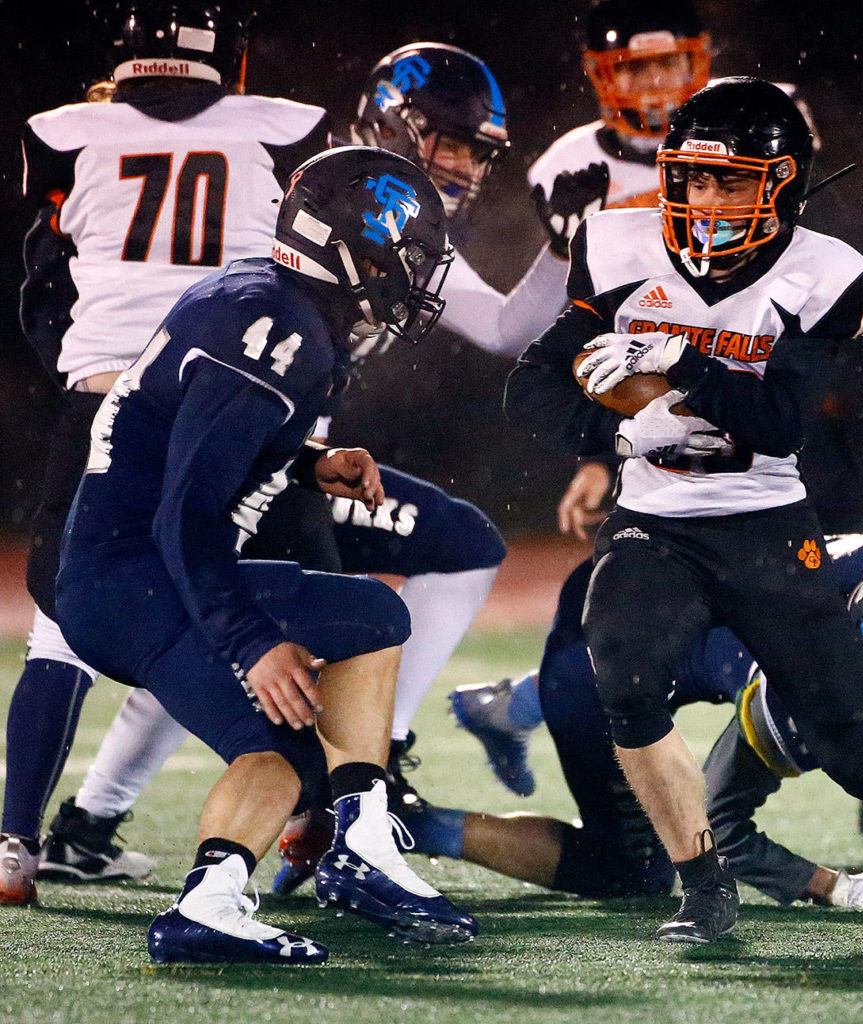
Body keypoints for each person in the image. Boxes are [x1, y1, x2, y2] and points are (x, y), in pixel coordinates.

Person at [34, 40, 608, 895]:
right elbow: (207, 310)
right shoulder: (314, 195)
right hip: (218, 439)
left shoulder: (390, 218)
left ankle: (366, 770)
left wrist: (563, 252)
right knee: (227, 608)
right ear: (387, 118)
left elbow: (498, 329)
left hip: (287, 454)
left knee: (441, 548)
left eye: (471, 151)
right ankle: (336, 794)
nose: (456, 165)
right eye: (442, 140)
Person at [502, 76, 863, 945]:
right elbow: (528, 388)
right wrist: (615, 437)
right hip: (657, 523)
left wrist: (682, 361)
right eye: (694, 179)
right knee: (626, 677)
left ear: (785, 182)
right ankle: (703, 883)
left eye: (735, 180)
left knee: (853, 746)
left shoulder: (826, 272)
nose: (707, 199)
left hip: (765, 522)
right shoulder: (616, 244)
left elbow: (781, 426)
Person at [55, 143, 481, 964]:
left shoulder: (262, 296)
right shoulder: (280, 332)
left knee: (330, 683)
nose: (414, 275)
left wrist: (309, 463)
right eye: (408, 253)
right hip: (141, 577)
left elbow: (198, 451)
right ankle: (288, 875)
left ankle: (291, 874)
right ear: (350, 244)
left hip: (127, 574)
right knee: (329, 681)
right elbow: (186, 510)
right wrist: (250, 640)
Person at [0, 0, 332, 906]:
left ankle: (16, 842)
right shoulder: (288, 128)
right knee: (261, 597)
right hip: (234, 392)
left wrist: (98, 368)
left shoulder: (67, 132)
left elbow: (44, 288)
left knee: (65, 617)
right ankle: (321, 817)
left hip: (108, 392)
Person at [418, 536, 863, 907]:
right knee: (636, 868)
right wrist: (836, 888)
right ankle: (416, 825)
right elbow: (719, 826)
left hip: (637, 586)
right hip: (601, 664)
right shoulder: (798, 665)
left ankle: (509, 705)